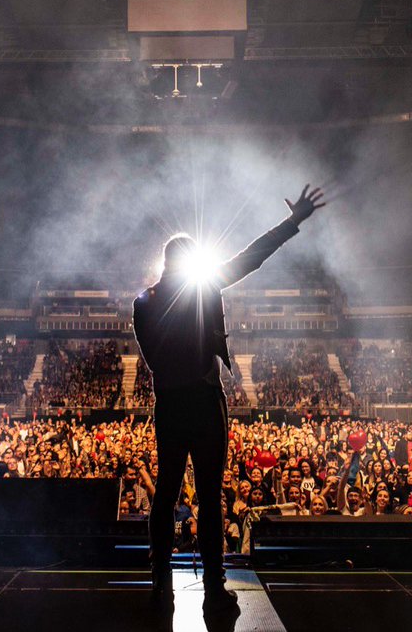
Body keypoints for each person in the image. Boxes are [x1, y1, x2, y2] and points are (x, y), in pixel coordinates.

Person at [133, 184, 325, 609]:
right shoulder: (204, 287)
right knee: (209, 493)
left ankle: (160, 582)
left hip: (170, 401)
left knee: (166, 491)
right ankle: (214, 587)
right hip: (203, 398)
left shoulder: (143, 303)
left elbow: (154, 361)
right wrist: (293, 222)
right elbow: (251, 257)